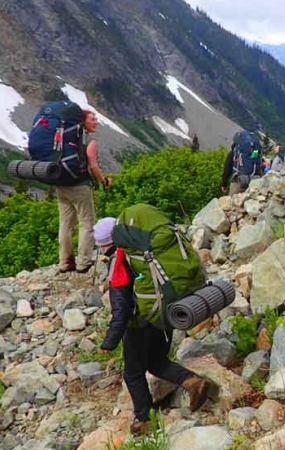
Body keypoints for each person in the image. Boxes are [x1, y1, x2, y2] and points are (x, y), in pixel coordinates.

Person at [93, 217, 210, 436]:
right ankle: (192, 382)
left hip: (139, 325)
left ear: (106, 244)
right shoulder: (142, 254)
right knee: (156, 362)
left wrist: (110, 341)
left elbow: (121, 308)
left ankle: (144, 420)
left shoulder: (120, 260)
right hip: (162, 313)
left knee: (133, 373)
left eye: (100, 245)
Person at [56, 111, 112, 273]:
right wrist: (104, 181)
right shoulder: (89, 140)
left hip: (61, 186)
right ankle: (83, 262)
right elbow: (93, 166)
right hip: (80, 186)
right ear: (83, 122)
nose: (96, 122)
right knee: (86, 223)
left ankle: (65, 262)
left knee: (65, 224)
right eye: (92, 119)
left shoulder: (64, 137)